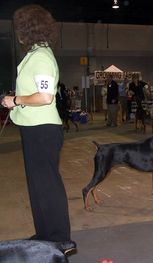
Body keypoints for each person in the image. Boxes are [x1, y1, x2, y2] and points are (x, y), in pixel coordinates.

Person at [0, 4, 76, 254]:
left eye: (20, 28)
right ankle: (45, 235)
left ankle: (60, 239)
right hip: (34, 127)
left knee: (47, 184)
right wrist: (17, 98)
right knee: (38, 186)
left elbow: (45, 97)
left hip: (42, 129)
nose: (18, 33)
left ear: (27, 30)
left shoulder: (41, 55)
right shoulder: (36, 53)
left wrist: (16, 100)